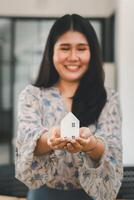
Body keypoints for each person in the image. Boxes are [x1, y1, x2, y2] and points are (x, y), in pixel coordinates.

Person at [15, 14, 123, 200]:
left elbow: (112, 146)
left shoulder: (108, 97)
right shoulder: (32, 96)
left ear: (92, 52)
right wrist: (49, 139)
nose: (73, 57)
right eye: (65, 48)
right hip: (43, 194)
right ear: (51, 52)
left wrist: (91, 145)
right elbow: (27, 140)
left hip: (92, 195)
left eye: (81, 48)